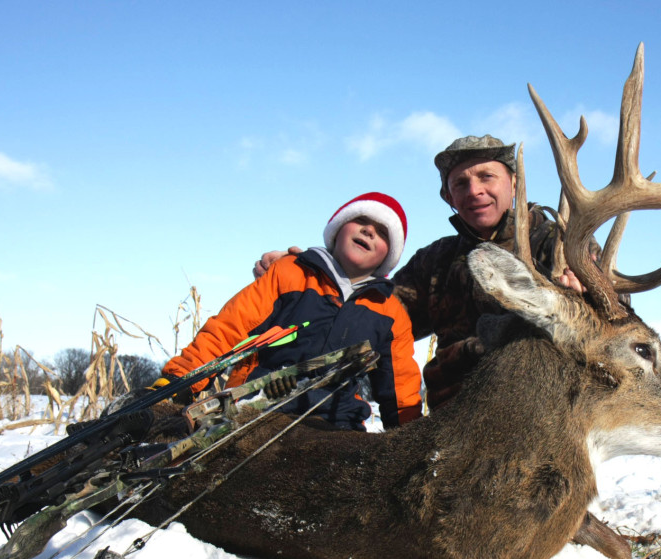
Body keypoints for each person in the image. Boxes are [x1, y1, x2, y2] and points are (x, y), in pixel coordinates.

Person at [253, 135, 595, 409]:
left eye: (486, 176)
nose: (474, 190)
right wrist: (311, 274)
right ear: (448, 197)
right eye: (460, 183)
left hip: (543, 412)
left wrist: (588, 294)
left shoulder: (563, 246)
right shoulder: (436, 260)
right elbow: (371, 314)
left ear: (515, 183)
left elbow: (616, 314)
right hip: (456, 419)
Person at [162, 192, 423, 430]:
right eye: (361, 220)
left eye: (383, 233)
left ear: (390, 255)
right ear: (337, 229)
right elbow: (229, 328)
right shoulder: (290, 272)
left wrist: (409, 436)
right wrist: (179, 381)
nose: (369, 231)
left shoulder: (391, 313)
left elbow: (400, 389)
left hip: (337, 424)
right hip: (256, 408)